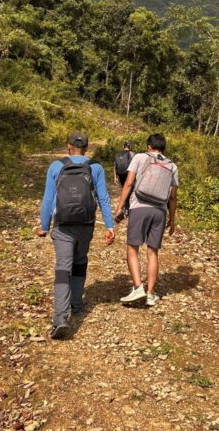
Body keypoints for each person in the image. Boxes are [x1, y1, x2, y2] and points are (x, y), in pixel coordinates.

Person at [37, 132, 115, 339]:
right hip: (86, 224)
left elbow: (47, 199)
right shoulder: (95, 167)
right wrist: (110, 226)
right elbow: (104, 198)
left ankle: (61, 318)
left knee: (63, 268)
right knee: (80, 261)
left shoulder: (56, 166)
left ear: (68, 146)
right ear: (87, 148)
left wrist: (44, 226)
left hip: (62, 225)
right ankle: (77, 302)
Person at [115, 133, 178, 307]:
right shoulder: (172, 166)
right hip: (159, 211)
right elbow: (173, 197)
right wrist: (172, 219)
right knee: (153, 252)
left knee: (132, 247)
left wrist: (120, 207)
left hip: (139, 207)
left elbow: (128, 183)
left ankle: (137, 287)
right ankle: (150, 294)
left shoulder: (140, 157)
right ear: (164, 148)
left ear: (149, 146)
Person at [113, 141, 134, 216]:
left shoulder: (118, 154)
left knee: (124, 190)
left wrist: (115, 177)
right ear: (130, 147)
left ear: (123, 146)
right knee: (130, 191)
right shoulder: (132, 154)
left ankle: (126, 208)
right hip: (129, 175)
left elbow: (115, 166)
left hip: (121, 175)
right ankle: (128, 209)